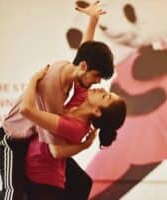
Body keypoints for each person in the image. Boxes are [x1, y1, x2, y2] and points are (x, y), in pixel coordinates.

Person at [0, 1, 114, 199]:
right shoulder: (52, 88)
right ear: (84, 67)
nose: (98, 82)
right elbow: (56, 150)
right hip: (11, 140)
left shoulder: (74, 73)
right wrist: (84, 145)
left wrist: (93, 19)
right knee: (12, 193)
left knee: (81, 183)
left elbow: (86, 50)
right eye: (97, 76)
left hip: (30, 138)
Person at [19, 66, 126, 200]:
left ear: (97, 111)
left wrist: (34, 80)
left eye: (104, 96)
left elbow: (26, 110)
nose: (102, 89)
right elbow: (85, 64)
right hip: (37, 168)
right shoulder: (81, 98)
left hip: (42, 178)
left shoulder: (76, 127)